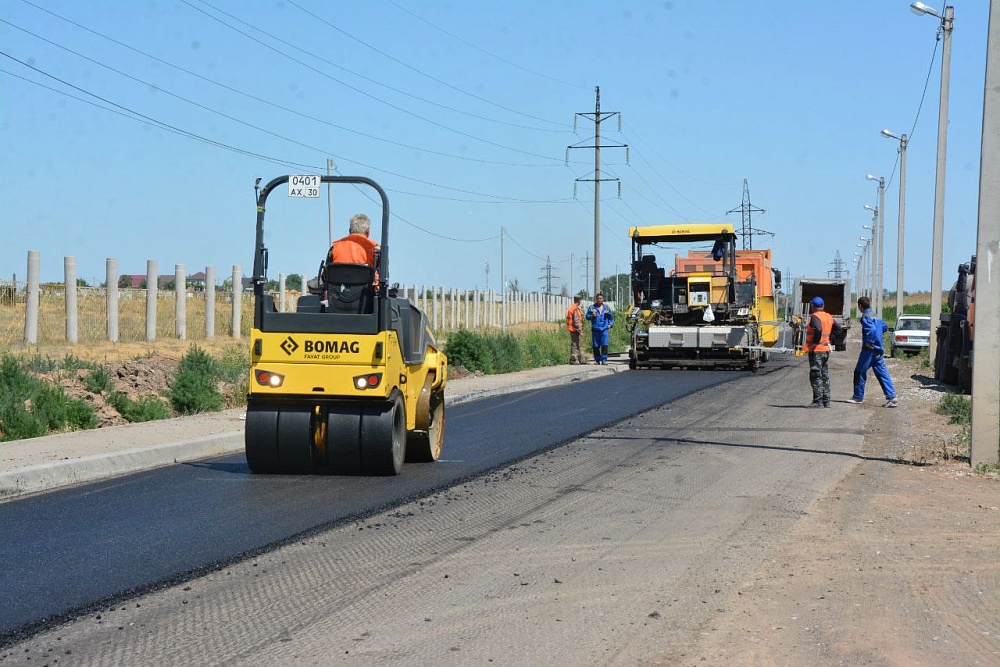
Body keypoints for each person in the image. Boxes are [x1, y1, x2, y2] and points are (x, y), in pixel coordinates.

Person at [849, 296, 898, 407]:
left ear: (860, 306)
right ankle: (892, 397)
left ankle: (857, 396)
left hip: (869, 350)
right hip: (879, 350)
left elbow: (872, 330)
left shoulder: (866, 316)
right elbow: (884, 327)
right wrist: (878, 337)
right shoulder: (876, 316)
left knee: (859, 371)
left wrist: (869, 341)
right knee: (882, 373)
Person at [802, 296, 834, 408]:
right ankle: (826, 401)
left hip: (817, 351)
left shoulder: (815, 317)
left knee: (816, 375)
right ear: (823, 306)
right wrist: (831, 340)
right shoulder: (828, 317)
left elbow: (818, 329)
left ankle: (817, 401)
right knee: (825, 375)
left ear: (813, 306)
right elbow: (838, 329)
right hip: (825, 350)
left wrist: (815, 342)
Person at [586, 292, 614, 365]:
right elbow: (587, 317)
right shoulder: (592, 308)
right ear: (596, 299)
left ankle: (604, 360)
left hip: (604, 330)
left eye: (600, 298)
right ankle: (597, 360)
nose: (599, 300)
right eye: (598, 298)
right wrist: (591, 315)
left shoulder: (607, 308)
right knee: (596, 346)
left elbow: (611, 318)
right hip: (595, 330)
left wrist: (610, 324)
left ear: (603, 299)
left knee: (604, 345)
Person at [566, 295, 585, 364]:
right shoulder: (574, 308)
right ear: (579, 300)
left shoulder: (575, 308)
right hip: (574, 329)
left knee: (578, 344)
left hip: (575, 329)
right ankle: (573, 360)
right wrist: (580, 331)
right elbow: (576, 321)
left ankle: (581, 359)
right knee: (575, 344)